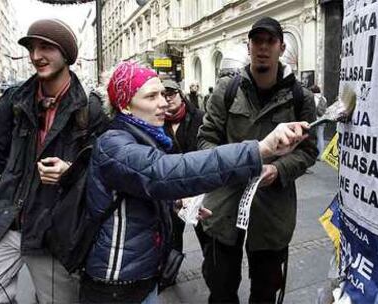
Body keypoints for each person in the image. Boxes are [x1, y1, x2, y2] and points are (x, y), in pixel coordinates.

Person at [79, 61, 310, 303]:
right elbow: (162, 173)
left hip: (141, 277)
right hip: (115, 286)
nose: (162, 102)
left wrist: (174, 203)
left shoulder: (143, 137)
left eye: (163, 94)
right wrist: (259, 149)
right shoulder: (115, 144)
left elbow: (137, 192)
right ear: (125, 106)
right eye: (151, 96)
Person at [0, 19, 106, 303]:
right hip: (6, 223)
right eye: (32, 48)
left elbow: (101, 168)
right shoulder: (15, 98)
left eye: (46, 47)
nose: (37, 55)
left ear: (66, 54)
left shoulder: (91, 109)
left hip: (53, 234)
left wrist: (70, 172)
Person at [197, 16, 318, 303]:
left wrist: (278, 170)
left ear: (281, 47)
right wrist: (234, 163)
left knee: (265, 292)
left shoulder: (299, 98)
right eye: (257, 41)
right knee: (221, 288)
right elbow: (205, 140)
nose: (263, 47)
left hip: (272, 214)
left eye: (270, 41)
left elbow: (309, 150)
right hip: (224, 207)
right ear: (248, 46)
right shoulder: (225, 91)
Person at [162, 79, 204, 255]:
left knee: (206, 233)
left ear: (181, 95)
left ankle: (212, 270)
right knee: (172, 236)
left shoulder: (198, 117)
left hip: (198, 187)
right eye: (163, 95)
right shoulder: (158, 122)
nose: (168, 99)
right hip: (172, 188)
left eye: (171, 94)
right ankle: (170, 271)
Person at [310, 85, 327, 158]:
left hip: (315, 120)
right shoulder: (324, 98)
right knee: (321, 136)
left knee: (313, 136)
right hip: (322, 119)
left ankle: (314, 154)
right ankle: (321, 155)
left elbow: (312, 109)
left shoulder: (313, 97)